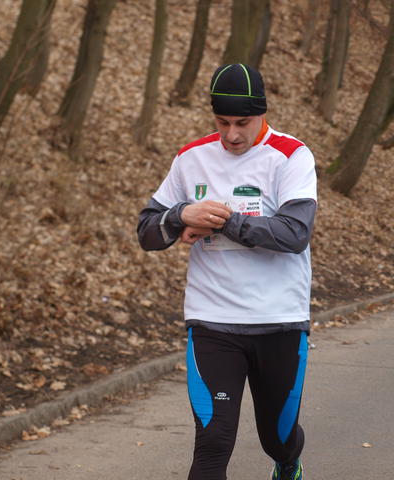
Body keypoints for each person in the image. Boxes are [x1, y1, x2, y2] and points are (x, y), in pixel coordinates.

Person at [137, 63, 317, 480]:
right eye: (222, 122)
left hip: (279, 320)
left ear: (262, 114)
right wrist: (180, 215)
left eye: (242, 123)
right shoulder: (191, 158)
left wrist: (223, 221)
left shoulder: (291, 156)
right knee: (214, 441)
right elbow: (147, 231)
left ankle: (287, 464)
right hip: (212, 321)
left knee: (278, 437)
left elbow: (295, 233)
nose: (232, 134)